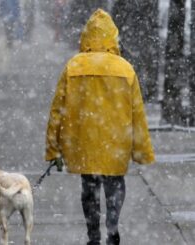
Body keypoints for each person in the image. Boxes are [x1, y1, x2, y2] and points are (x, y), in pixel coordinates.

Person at [45, 9, 155, 245]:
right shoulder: (125, 68)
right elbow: (137, 113)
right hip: (116, 141)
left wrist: (54, 149)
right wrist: (141, 151)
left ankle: (93, 235)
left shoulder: (73, 66)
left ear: (85, 37)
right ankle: (112, 229)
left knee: (89, 188)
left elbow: (57, 111)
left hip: (84, 141)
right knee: (115, 185)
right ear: (112, 38)